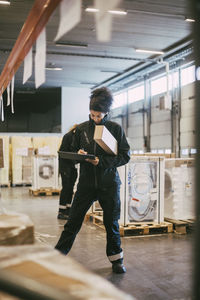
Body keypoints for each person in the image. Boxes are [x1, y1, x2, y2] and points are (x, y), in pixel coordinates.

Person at [55, 87, 130, 273]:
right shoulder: (80, 130)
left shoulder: (115, 129)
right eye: (93, 114)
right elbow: (71, 152)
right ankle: (56, 257)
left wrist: (101, 161)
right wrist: (78, 154)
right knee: (72, 222)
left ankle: (116, 260)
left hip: (109, 184)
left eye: (98, 115)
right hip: (86, 184)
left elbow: (125, 155)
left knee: (111, 223)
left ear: (106, 113)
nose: (95, 118)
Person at [57, 124, 78, 220]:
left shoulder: (76, 137)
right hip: (65, 166)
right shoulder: (68, 136)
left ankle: (69, 209)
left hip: (72, 166)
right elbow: (63, 153)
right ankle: (61, 211)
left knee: (70, 188)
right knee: (66, 188)